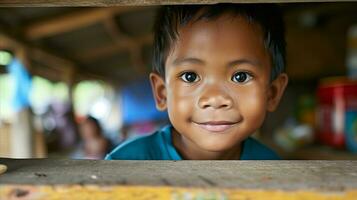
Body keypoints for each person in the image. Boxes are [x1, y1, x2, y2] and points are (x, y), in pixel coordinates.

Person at [106, 3, 289, 160]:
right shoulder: (126, 164)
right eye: (190, 76)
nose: (216, 99)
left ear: (272, 93)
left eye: (240, 76)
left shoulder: (275, 174)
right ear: (162, 93)